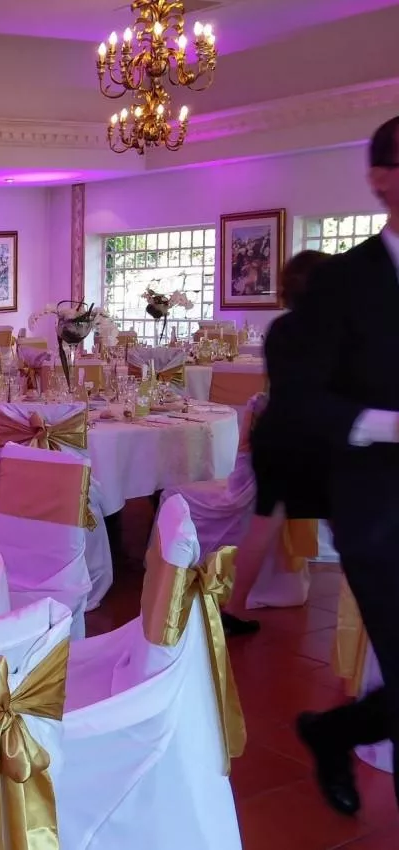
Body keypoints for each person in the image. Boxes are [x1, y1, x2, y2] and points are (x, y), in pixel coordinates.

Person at [283, 115, 399, 816]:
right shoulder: (342, 283)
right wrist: (389, 424)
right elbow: (301, 401)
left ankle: (334, 731)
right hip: (378, 510)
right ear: (381, 179)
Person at [224, 250, 330, 634]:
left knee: (263, 522)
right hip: (310, 439)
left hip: (273, 435)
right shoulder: (335, 330)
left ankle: (235, 605)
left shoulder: (280, 328)